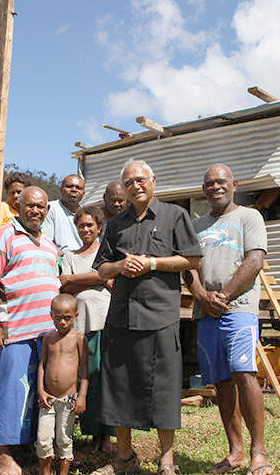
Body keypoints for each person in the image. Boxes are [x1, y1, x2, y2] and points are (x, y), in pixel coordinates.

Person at [93, 160, 202, 475]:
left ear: (153, 180)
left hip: (160, 314)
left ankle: (167, 460)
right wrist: (120, 267)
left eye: (140, 179)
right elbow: (102, 268)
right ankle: (124, 458)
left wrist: (152, 264)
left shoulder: (174, 216)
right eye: (128, 183)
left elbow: (192, 258)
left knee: (164, 388)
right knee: (119, 387)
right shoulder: (115, 225)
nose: (135, 186)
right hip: (122, 316)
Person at [184, 164, 274, 475]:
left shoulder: (249, 217)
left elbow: (255, 260)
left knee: (244, 372)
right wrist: (201, 296)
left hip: (239, 309)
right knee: (221, 381)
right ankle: (234, 451)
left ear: (234, 184)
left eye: (221, 182)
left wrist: (223, 296)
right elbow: (189, 268)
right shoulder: (196, 226)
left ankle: (258, 452)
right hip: (205, 312)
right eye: (209, 183)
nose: (215, 187)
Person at [0, 186, 60, 475]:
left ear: (47, 210)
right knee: (12, 390)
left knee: (42, 392)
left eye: (40, 206)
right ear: (19, 207)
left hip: (48, 333)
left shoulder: (50, 245)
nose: (35, 211)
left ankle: (34, 450)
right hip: (16, 328)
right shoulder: (4, 235)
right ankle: (2, 455)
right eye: (30, 205)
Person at [59, 206, 114, 453]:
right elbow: (65, 284)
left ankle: (107, 437)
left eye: (90, 225)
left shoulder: (108, 254)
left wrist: (80, 279)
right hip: (81, 327)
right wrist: (99, 277)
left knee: (106, 379)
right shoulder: (70, 256)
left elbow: (115, 280)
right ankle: (92, 434)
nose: (86, 229)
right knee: (86, 379)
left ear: (99, 227)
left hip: (106, 324)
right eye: (82, 225)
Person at [36, 294, 89, 475]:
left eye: (67, 318)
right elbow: (42, 365)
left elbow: (85, 371)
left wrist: (81, 396)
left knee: (64, 439)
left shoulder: (79, 339)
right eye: (58, 318)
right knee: (43, 439)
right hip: (48, 399)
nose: (63, 322)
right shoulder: (48, 339)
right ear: (51, 315)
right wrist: (41, 390)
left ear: (76, 315)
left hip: (68, 400)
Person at [43, 174, 85, 253]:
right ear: (61, 189)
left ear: (83, 193)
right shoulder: (50, 208)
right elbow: (46, 241)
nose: (74, 190)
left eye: (78, 188)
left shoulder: (87, 214)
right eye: (69, 186)